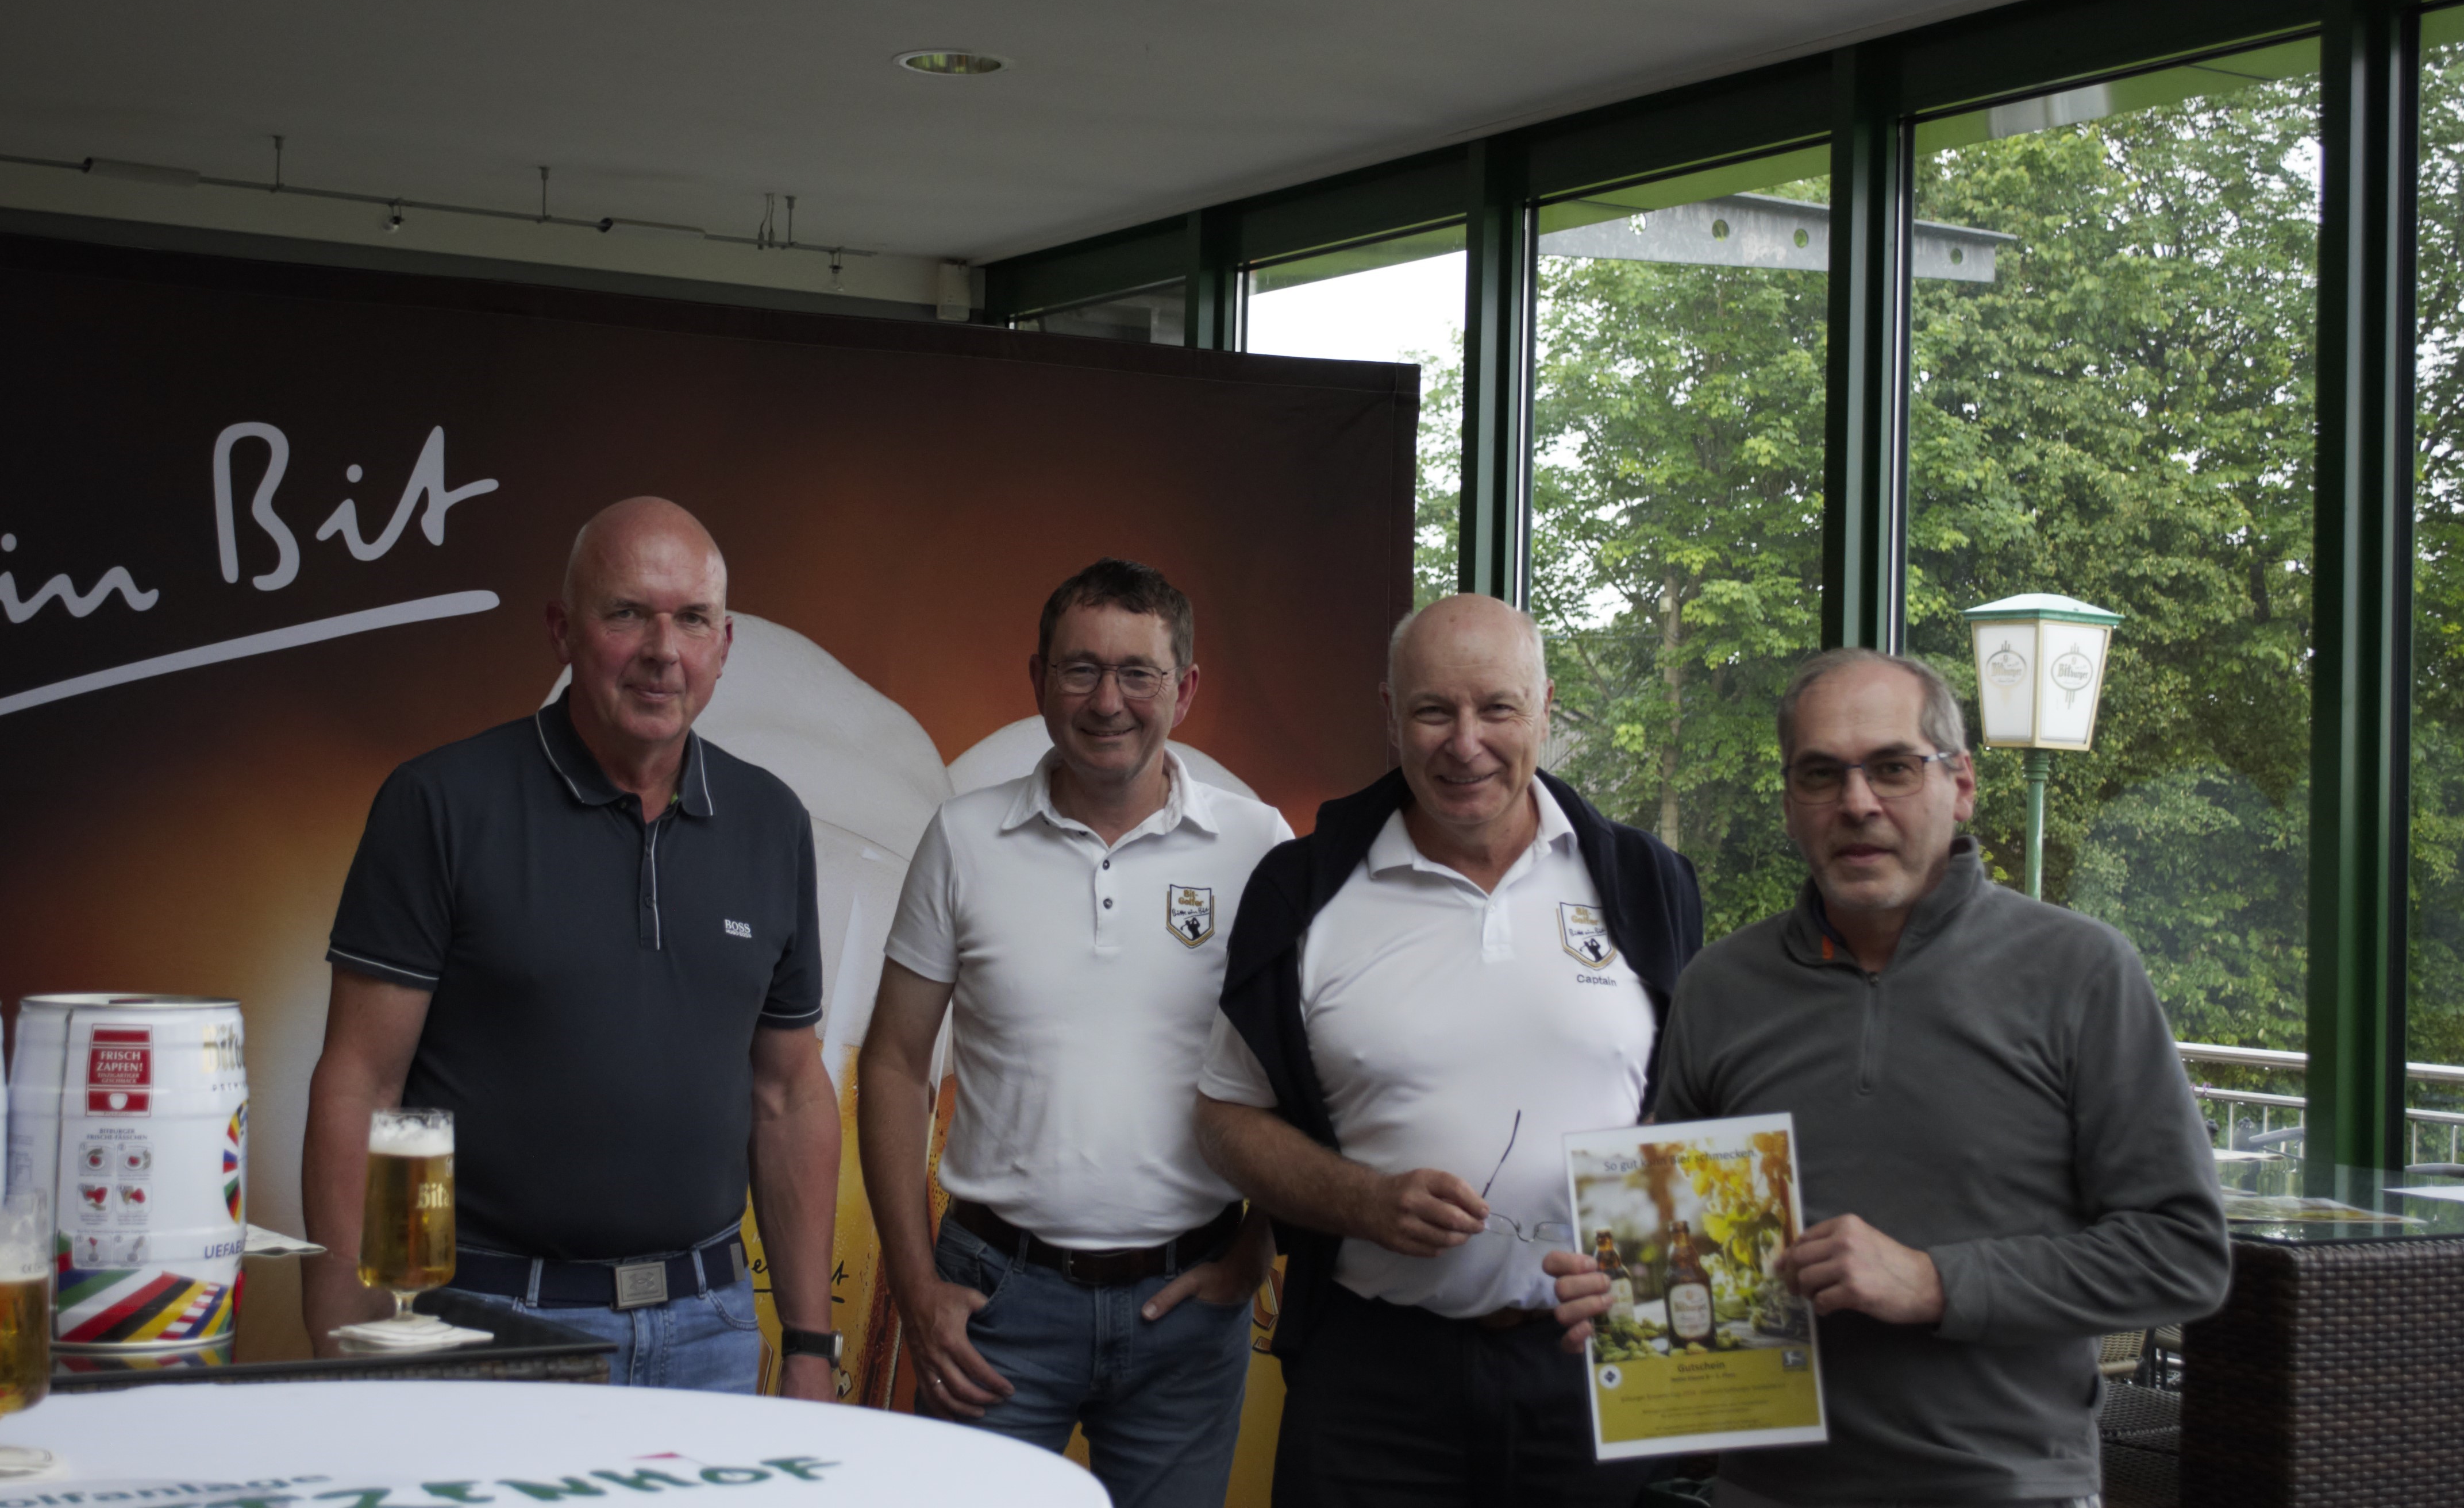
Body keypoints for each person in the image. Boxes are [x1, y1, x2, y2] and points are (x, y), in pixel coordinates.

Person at [1546, 647, 2232, 1507]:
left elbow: (2184, 1254)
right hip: (1766, 1490)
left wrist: (1936, 1283)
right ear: (1790, 804)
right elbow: (1680, 1238)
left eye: (1894, 768)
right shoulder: (1720, 987)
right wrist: (1620, 1289)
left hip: (2005, 1490)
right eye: (1821, 774)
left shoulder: (2082, 972)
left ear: (1962, 784)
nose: (1858, 803)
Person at [302, 497, 841, 1398]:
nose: (663, 651)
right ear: (562, 630)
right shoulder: (442, 804)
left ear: (723, 646)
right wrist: (353, 1337)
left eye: (692, 620)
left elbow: (788, 1095)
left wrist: (811, 1346)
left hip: (710, 1331)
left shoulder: (771, 822)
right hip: (484, 1323)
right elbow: (366, 1085)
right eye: (627, 614)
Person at [1195, 593, 1704, 1507]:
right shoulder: (1303, 888)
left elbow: (1695, 1104)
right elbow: (1225, 1115)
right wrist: (1361, 1200)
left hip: (1593, 1367)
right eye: (1434, 711)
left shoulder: (1647, 881)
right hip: (1372, 1377)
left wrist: (1651, 1264)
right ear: (1391, 716)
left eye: (1497, 708)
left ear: (1544, 708)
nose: (1466, 744)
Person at [859, 558, 1288, 1507]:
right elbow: (893, 1063)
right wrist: (914, 1282)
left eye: (1138, 673)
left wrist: (1258, 1250)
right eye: (1080, 669)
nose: (1107, 701)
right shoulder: (962, 838)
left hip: (1189, 1309)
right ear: (1038, 680)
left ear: (1186, 689)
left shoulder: (1258, 845)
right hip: (993, 1305)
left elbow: (1307, 1069)